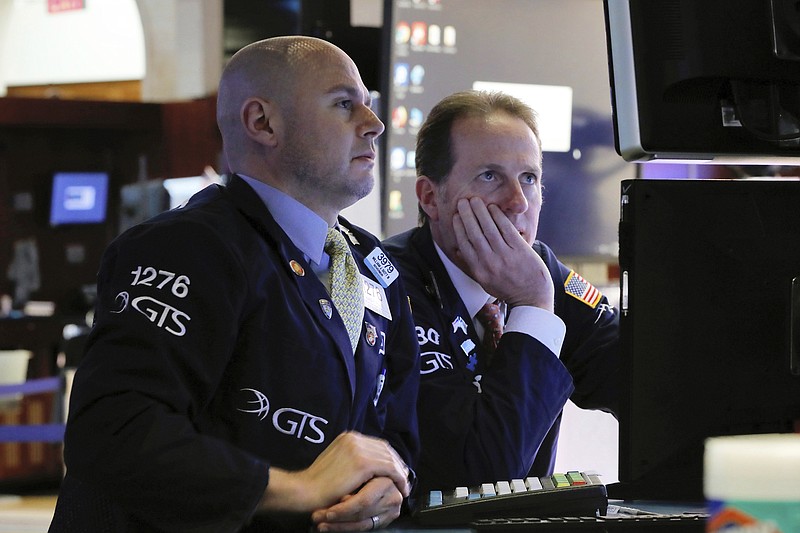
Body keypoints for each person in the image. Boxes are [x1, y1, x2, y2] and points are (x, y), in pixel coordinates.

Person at [49, 36, 420, 533]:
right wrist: (299, 489)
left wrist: (389, 488)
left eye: (368, 106)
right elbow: (115, 433)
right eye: (343, 104)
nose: (373, 124)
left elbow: (397, 433)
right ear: (262, 122)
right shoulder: (188, 246)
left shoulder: (373, 266)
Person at [383, 90, 619, 493]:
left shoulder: (540, 269)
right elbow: (480, 476)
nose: (517, 201)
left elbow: (641, 383)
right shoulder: (390, 285)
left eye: (529, 178)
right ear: (430, 197)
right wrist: (532, 306)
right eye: (490, 176)